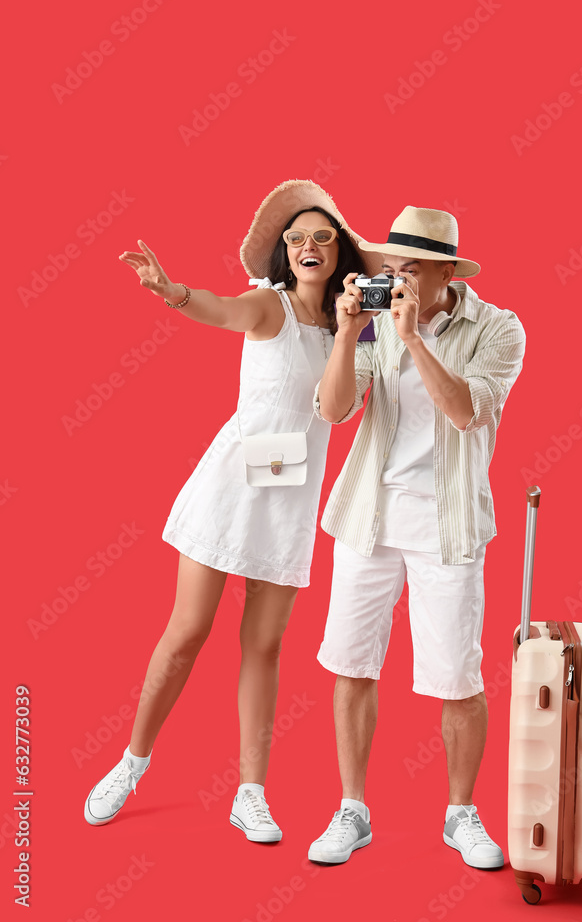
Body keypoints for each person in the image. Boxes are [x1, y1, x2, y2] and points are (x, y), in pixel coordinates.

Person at [83, 180, 378, 841]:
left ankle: (250, 793)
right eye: (296, 238)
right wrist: (172, 292)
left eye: (321, 237)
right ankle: (132, 761)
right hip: (233, 489)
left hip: (290, 498)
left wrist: (352, 328)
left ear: (339, 254)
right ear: (284, 253)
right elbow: (221, 309)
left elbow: (338, 408)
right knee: (187, 633)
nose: (307, 246)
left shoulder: (353, 333)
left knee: (263, 647)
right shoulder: (267, 307)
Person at [307, 205, 526, 867]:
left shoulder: (498, 328)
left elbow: (465, 412)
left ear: (445, 272)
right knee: (349, 663)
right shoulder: (374, 323)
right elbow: (335, 409)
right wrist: (347, 334)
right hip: (368, 514)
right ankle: (352, 809)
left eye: (408, 270)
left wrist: (418, 340)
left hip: (448, 523)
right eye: (390, 268)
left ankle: (461, 814)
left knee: (457, 676)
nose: (394, 280)